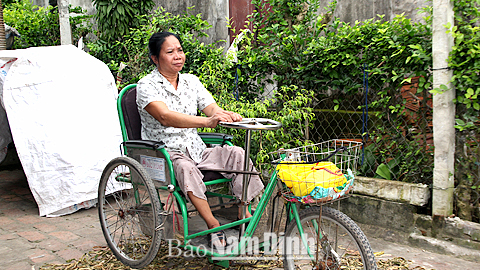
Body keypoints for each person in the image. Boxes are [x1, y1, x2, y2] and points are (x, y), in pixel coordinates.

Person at [136, 31, 264, 247]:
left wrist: (223, 115)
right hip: (165, 152)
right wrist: (206, 122)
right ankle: (213, 225)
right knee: (186, 168)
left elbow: (210, 107)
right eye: (170, 52)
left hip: (196, 149)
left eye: (180, 50)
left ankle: (244, 212)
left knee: (237, 154)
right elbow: (165, 117)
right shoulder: (146, 86)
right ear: (155, 58)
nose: (178, 56)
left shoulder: (191, 81)